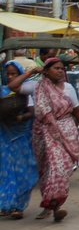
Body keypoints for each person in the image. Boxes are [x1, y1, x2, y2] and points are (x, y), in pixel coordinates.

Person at [28, 57, 79, 222]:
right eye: (56, 68)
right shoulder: (38, 88)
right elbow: (33, 107)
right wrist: (30, 72)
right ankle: (51, 206)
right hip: (43, 132)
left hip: (66, 130)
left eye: (62, 68)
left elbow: (77, 111)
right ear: (47, 70)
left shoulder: (69, 88)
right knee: (46, 170)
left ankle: (55, 206)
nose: (60, 71)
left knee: (59, 168)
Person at [0, 61, 37, 219]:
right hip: (5, 136)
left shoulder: (25, 90)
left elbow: (32, 112)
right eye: (8, 73)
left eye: (13, 73)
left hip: (22, 135)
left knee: (23, 171)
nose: (10, 76)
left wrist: (21, 117)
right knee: (6, 171)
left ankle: (19, 207)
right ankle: (6, 205)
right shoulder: (2, 91)